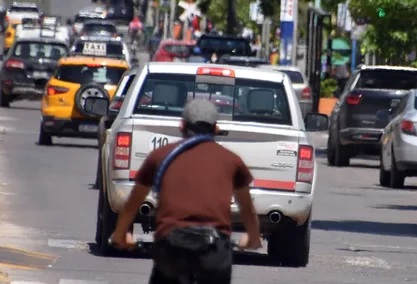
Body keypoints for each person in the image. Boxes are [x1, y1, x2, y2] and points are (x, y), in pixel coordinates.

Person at [110, 99, 262, 283]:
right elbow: (247, 208)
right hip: (213, 254)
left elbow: (133, 203)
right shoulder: (231, 160)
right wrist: (253, 238)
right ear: (215, 129)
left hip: (172, 252)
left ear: (182, 126)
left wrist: (120, 234)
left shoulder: (160, 156)